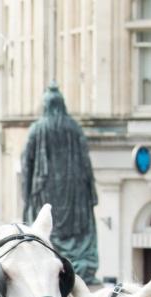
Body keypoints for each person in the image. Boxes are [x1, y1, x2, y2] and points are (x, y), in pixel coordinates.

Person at [21, 84, 99, 284]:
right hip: (75, 194)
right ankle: (76, 262)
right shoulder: (74, 128)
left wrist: (26, 195)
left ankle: (51, 258)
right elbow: (85, 162)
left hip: (44, 191)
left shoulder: (37, 129)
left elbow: (26, 165)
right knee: (77, 233)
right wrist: (91, 192)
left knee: (47, 226)